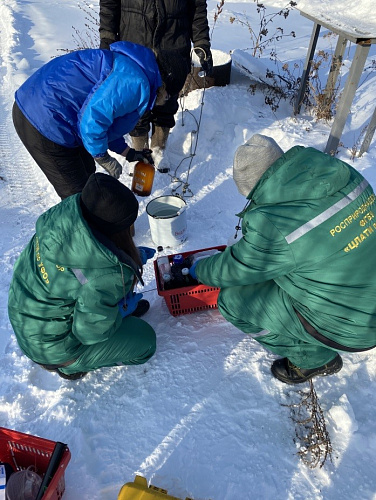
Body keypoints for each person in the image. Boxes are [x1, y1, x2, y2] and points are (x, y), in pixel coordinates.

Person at [189, 134, 376, 384]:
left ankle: (313, 359)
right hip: (365, 298)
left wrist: (199, 270)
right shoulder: (342, 173)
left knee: (232, 301)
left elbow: (235, 269)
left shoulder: (274, 224)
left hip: (355, 327)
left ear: (252, 188)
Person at [8, 173, 157, 380]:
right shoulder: (103, 276)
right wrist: (118, 313)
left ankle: (108, 312)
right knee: (145, 341)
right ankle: (71, 367)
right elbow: (89, 333)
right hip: (54, 349)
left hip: (27, 321)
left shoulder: (60, 224)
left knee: (99, 297)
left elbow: (78, 278)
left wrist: (129, 259)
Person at [12, 41, 168, 199]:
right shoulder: (135, 82)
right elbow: (92, 122)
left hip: (47, 108)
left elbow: (106, 122)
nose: (166, 100)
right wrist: (103, 157)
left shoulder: (133, 70)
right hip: (44, 120)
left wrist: (127, 152)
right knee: (78, 195)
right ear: (164, 85)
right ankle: (82, 221)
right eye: (168, 96)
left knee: (88, 175)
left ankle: (97, 218)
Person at [99, 0, 213, 157]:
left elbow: (197, 8)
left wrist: (201, 42)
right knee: (135, 105)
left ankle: (158, 150)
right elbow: (109, 6)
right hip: (134, 46)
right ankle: (139, 152)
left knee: (166, 102)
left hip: (173, 47)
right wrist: (107, 40)